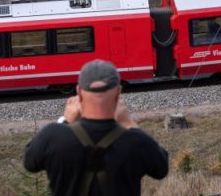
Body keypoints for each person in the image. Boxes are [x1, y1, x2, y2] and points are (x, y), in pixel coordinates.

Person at [23, 60, 169, 196]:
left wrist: (65, 120)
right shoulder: (137, 142)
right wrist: (129, 123)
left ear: (79, 93)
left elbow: (30, 162)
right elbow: (161, 168)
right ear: (118, 93)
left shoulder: (52, 136)